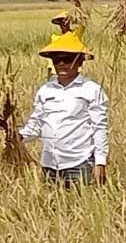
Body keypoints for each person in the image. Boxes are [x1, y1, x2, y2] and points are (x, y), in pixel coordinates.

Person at [20, 33, 108, 187]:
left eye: (67, 59)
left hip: (79, 164)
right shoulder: (45, 90)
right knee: (52, 208)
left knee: (81, 209)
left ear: (80, 61)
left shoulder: (92, 90)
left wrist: (100, 162)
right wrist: (17, 137)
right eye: (56, 59)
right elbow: (36, 125)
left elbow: (99, 128)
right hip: (49, 165)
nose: (61, 64)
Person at [44, 10, 86, 77]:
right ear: (59, 24)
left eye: (66, 21)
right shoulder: (55, 38)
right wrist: (50, 71)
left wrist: (78, 6)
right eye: (62, 22)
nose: (64, 23)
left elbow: (83, 23)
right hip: (56, 72)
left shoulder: (75, 34)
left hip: (72, 69)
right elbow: (52, 57)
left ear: (69, 23)